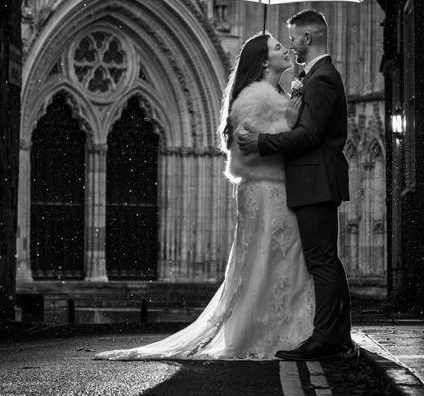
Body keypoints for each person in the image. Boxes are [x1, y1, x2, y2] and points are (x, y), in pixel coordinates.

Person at [94, 33, 315, 361]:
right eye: (278, 47)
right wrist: (295, 123)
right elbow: (256, 148)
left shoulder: (269, 94)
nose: (287, 49)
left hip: (270, 191)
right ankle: (272, 332)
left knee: (269, 264)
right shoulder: (257, 97)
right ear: (264, 61)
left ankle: (278, 329)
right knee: (268, 263)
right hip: (269, 192)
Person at [237, 10, 355, 361]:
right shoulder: (316, 76)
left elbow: (309, 135)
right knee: (326, 260)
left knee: (321, 261)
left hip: (315, 180)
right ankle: (337, 335)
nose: (290, 44)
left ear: (307, 38)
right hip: (314, 180)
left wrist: (261, 143)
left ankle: (326, 338)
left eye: (292, 38)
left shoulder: (321, 79)